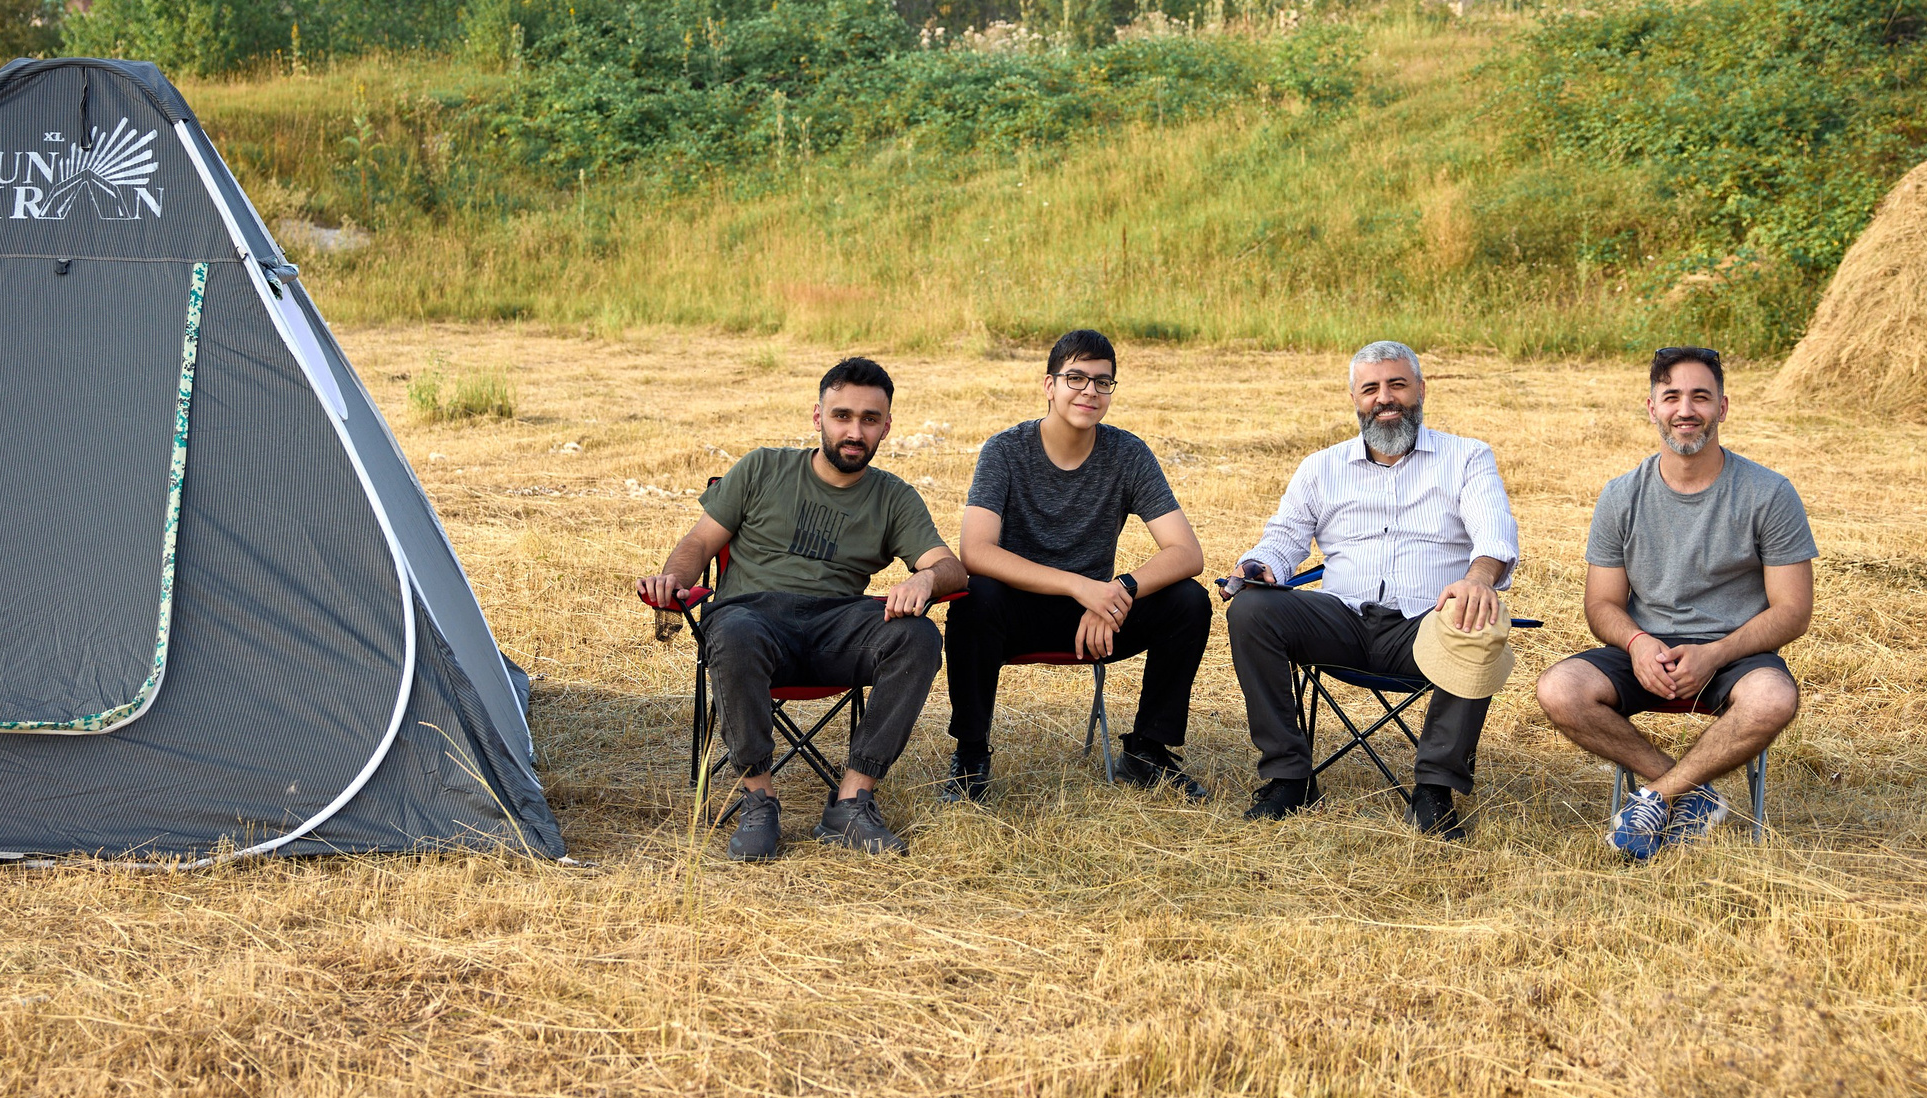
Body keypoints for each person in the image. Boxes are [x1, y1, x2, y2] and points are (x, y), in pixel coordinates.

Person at [636, 357, 965, 862]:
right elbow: (700, 542)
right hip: (754, 619)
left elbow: (953, 569)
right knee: (734, 632)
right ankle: (758, 800)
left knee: (918, 637)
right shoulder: (762, 468)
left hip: (838, 626)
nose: (854, 431)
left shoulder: (893, 498)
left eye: (870, 420)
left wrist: (925, 577)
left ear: (887, 426)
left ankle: (852, 802)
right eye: (842, 416)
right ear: (818, 417)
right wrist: (672, 580)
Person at [1223, 341, 1520, 841]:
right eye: (1371, 389)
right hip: (1340, 620)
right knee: (1252, 610)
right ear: (1356, 399)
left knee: (1480, 622)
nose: (1385, 398)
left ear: (1421, 390)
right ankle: (1288, 777)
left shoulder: (1467, 457)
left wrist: (1478, 580)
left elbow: (1495, 536)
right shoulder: (1321, 466)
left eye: (1397, 384)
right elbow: (1284, 538)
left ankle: (1433, 790)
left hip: (1426, 627)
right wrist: (1261, 565)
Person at [1535, 347, 1814, 861]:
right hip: (1646, 650)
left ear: (1723, 408)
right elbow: (1601, 604)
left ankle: (1658, 796)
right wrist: (1638, 643)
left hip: (1734, 654)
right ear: (1652, 408)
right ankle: (1691, 792)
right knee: (1558, 688)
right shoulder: (1621, 496)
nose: (1685, 409)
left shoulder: (1769, 493)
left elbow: (1793, 610)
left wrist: (1715, 654)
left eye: (1700, 397)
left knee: (1773, 699)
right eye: (1672, 397)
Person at [944, 329, 1212, 802]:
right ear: (1049, 385)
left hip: (1097, 621)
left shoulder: (1127, 453)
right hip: (1018, 612)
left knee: (1189, 601)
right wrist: (1078, 587)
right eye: (1076, 377)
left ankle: (1147, 750)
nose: (1090, 390)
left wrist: (1118, 590)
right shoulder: (1005, 450)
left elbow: (1187, 553)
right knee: (975, 598)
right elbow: (976, 551)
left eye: (1102, 381)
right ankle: (970, 754)